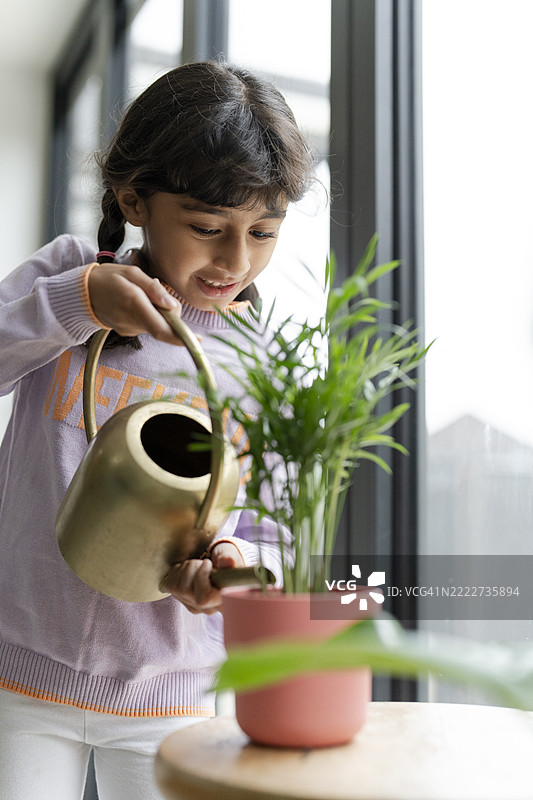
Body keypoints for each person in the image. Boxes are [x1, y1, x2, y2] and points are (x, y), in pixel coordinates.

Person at [0, 61, 315, 799]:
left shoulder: (261, 360)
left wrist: (230, 570)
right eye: (207, 228)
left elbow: (275, 536)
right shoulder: (72, 280)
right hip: (19, 671)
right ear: (132, 199)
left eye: (263, 233)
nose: (234, 261)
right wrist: (74, 303)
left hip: (169, 696)